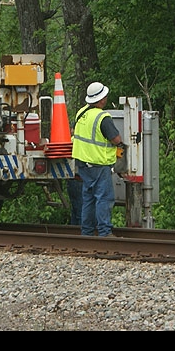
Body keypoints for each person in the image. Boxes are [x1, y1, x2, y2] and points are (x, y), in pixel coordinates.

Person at [71, 81, 125, 237]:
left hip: (82, 163)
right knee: (104, 197)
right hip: (98, 163)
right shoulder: (103, 117)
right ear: (101, 99)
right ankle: (104, 232)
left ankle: (86, 232)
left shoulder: (81, 112)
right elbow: (116, 139)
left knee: (88, 198)